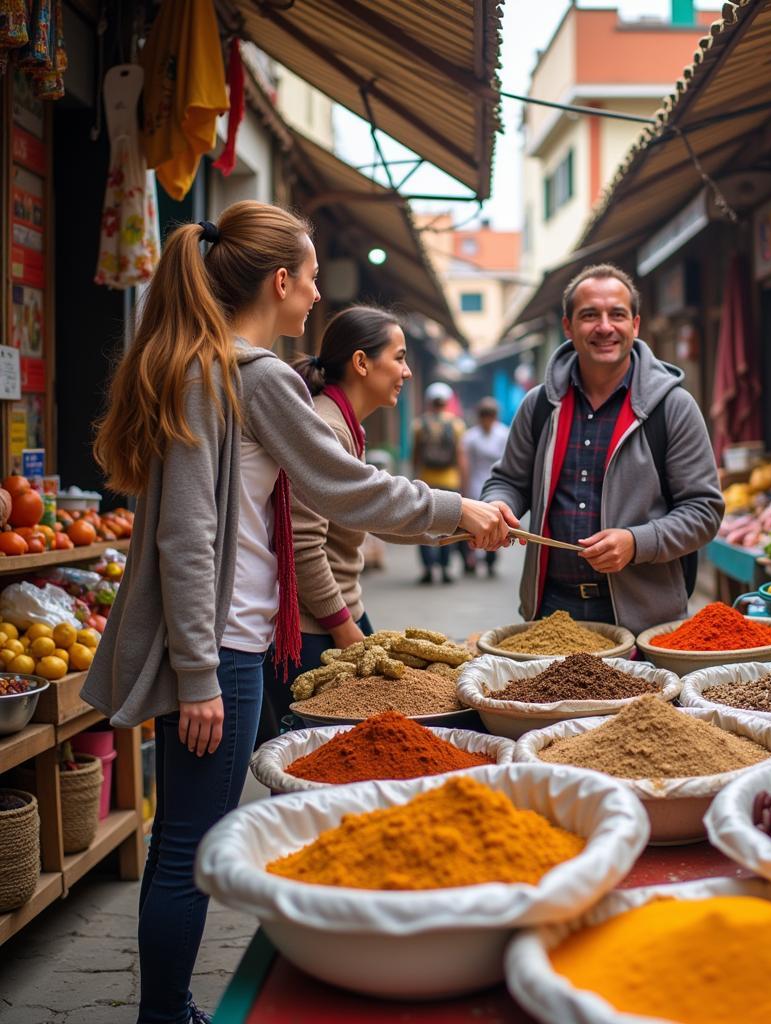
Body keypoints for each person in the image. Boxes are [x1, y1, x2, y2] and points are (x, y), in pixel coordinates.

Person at [83, 201, 511, 1024]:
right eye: (310, 278)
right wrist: (458, 511)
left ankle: (165, 1012)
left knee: (180, 838)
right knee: (189, 848)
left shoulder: (202, 367)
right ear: (279, 281)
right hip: (227, 647)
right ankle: (166, 1016)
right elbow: (335, 490)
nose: (315, 296)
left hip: (218, 643)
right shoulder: (257, 376)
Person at [481, 263, 723, 636]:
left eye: (617, 315)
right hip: (551, 613)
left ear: (635, 324)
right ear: (568, 326)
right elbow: (508, 480)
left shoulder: (672, 407)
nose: (605, 327)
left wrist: (635, 542)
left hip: (646, 617)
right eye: (590, 315)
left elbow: (704, 511)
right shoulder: (540, 405)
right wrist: (499, 506)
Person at [259, 305, 410, 738]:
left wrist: (458, 529)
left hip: (338, 614)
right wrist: (346, 631)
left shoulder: (345, 425)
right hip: (315, 628)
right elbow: (303, 545)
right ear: (362, 363)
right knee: (315, 767)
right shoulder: (326, 427)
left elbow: (367, 510)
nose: (407, 371)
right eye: (398, 357)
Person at [411, 381, 469, 583]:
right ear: (447, 401)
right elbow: (461, 456)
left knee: (423, 526)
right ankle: (445, 569)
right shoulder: (456, 425)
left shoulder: (419, 425)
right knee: (448, 526)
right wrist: (464, 482)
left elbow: (415, 455)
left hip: (426, 481)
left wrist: (414, 478)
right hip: (450, 481)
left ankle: (428, 569)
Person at [461, 396, 510, 577]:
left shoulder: (504, 434)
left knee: (494, 522)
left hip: (497, 484)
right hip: (475, 483)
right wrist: (464, 487)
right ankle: (471, 557)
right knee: (471, 525)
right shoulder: (471, 437)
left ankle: (490, 559)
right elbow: (465, 464)